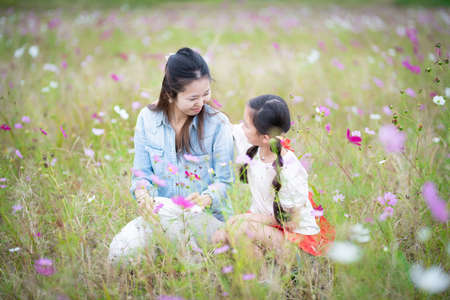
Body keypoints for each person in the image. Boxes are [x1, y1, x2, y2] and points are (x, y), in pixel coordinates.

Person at [108, 47, 234, 264]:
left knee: (169, 209)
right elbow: (142, 174)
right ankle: (175, 253)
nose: (201, 103)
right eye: (193, 97)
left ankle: (194, 266)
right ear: (170, 94)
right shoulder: (147, 119)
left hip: (206, 222)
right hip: (162, 216)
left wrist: (207, 197)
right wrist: (143, 196)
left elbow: (224, 181)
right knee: (119, 254)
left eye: (206, 94)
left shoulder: (218, 123)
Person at [212, 94, 335, 260]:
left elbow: (292, 222)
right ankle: (251, 277)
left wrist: (250, 218)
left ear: (265, 137)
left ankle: (264, 282)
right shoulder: (255, 146)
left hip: (296, 242)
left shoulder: (290, 171)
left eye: (246, 125)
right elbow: (226, 125)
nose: (242, 128)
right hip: (270, 231)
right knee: (219, 237)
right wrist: (202, 97)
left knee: (242, 228)